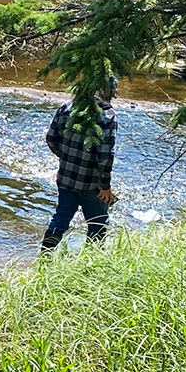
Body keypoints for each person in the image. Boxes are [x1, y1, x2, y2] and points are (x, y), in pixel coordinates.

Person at [41, 77, 119, 251]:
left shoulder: (66, 108)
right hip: (92, 184)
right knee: (98, 223)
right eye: (113, 91)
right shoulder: (108, 115)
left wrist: (67, 158)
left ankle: (45, 257)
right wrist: (105, 186)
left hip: (66, 179)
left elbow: (51, 139)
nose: (115, 95)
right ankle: (92, 264)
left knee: (61, 218)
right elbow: (105, 156)